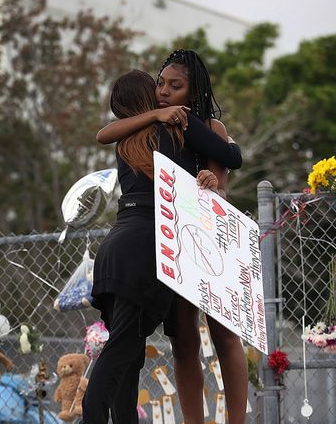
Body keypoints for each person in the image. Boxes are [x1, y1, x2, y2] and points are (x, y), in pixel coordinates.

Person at [95, 49, 248, 424]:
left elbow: (223, 181)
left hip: (209, 239)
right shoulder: (152, 127)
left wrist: (211, 183)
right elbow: (105, 135)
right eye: (160, 83)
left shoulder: (206, 128)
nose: (163, 91)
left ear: (193, 92)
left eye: (175, 86)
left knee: (224, 336)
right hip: (171, 243)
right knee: (183, 340)